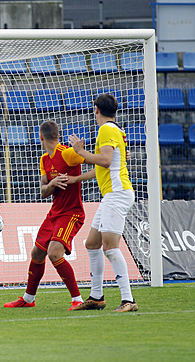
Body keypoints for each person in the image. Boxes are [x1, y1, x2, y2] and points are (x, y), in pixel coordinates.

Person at [4, 121, 85, 310]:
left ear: (40, 137)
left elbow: (99, 163)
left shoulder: (67, 153)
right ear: (58, 134)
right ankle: (28, 299)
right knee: (37, 253)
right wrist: (52, 184)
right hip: (55, 213)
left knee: (54, 253)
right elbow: (43, 191)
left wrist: (76, 177)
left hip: (71, 213)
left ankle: (78, 299)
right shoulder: (44, 160)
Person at [68, 93, 137, 312]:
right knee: (92, 243)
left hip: (117, 194)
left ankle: (128, 300)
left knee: (110, 247)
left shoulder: (106, 129)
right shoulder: (115, 129)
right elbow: (104, 165)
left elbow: (105, 161)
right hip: (112, 194)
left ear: (96, 109)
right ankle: (96, 297)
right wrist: (77, 179)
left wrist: (80, 151)